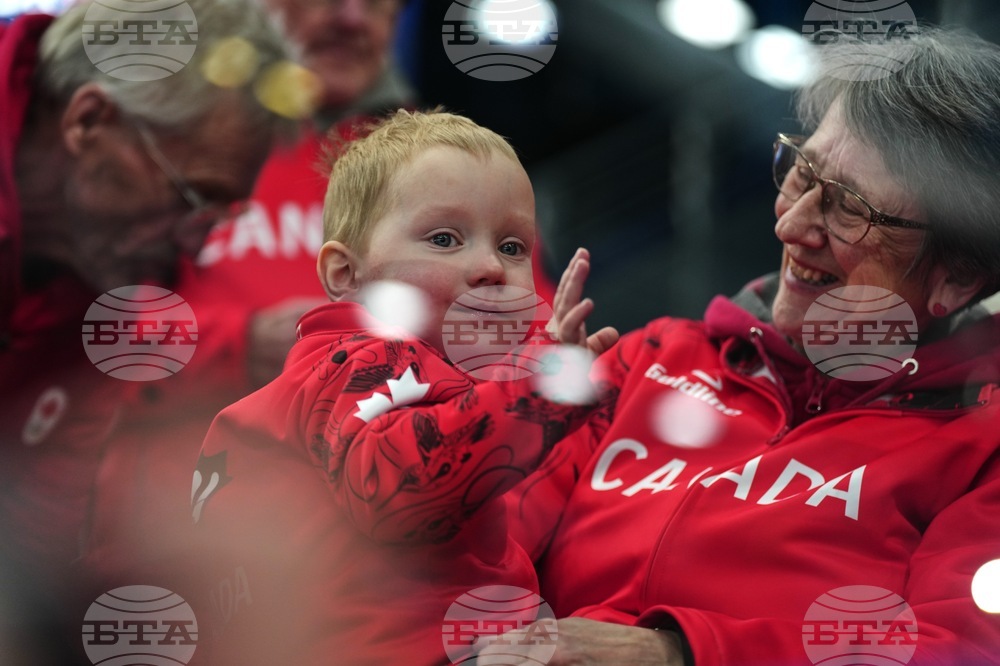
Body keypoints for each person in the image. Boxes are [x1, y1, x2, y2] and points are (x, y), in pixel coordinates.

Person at [485, 27, 1000, 666]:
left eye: (849, 209)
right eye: (800, 174)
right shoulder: (653, 357)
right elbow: (478, 540)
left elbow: (955, 654)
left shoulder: (983, 451)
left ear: (957, 275)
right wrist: (504, 418)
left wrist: (675, 656)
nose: (789, 224)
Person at [188, 109, 617, 665]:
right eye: (444, 238)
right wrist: (540, 392)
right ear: (345, 274)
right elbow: (394, 488)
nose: (490, 266)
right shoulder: (361, 362)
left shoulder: (440, 379)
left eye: (513, 247)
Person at [0, 0, 293, 581]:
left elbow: (35, 538)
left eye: (220, 213)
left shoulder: (105, 278)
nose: (196, 247)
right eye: (192, 199)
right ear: (87, 122)